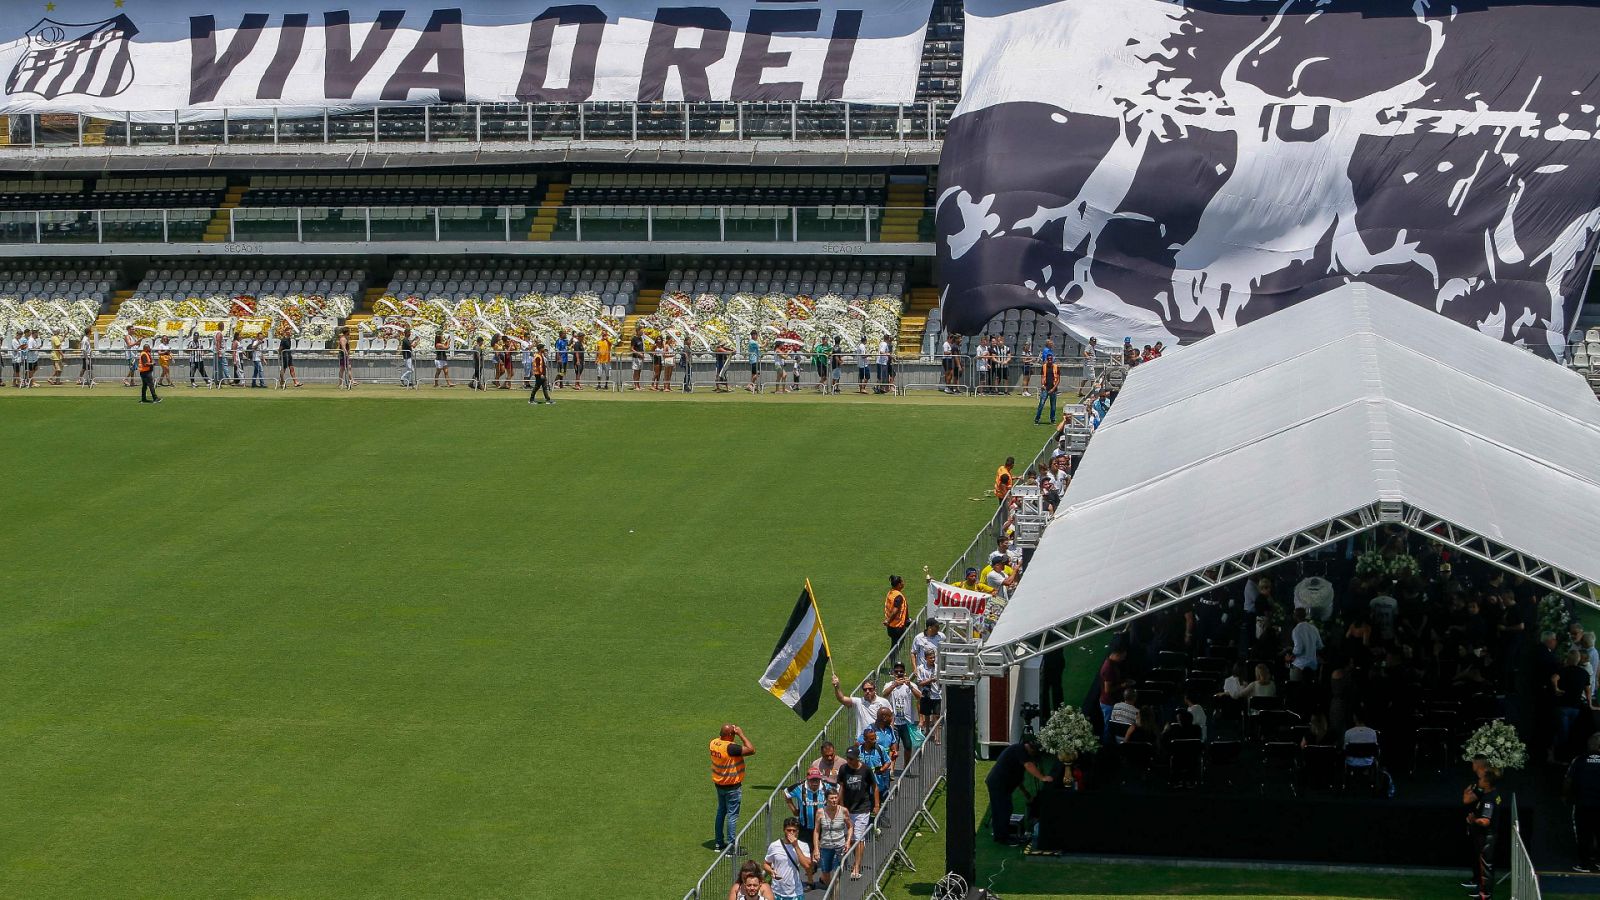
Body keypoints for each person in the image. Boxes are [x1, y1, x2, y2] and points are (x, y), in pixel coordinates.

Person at [986, 737, 1051, 845]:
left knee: (1001, 808)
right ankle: (1002, 837)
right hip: (998, 783)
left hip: (1000, 783)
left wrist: (1026, 793)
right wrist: (1042, 778)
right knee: (1003, 809)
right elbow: (1028, 765)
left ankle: (1000, 834)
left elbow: (1017, 778)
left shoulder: (1019, 753)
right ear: (1030, 748)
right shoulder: (1020, 750)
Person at [710, 724, 756, 852]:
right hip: (732, 787)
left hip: (719, 785)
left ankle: (718, 843)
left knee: (721, 812)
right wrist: (741, 734)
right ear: (730, 735)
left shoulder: (713, 743)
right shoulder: (730, 748)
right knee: (732, 816)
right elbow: (751, 750)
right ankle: (731, 847)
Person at [837, 746, 878, 881]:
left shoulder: (866, 770)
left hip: (863, 808)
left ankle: (857, 866)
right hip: (848, 808)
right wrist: (841, 806)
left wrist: (876, 805)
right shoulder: (843, 769)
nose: (848, 761)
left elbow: (874, 786)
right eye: (847, 758)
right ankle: (855, 860)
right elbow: (841, 787)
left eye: (851, 759)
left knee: (858, 837)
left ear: (857, 758)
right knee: (853, 838)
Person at [1464, 762, 1502, 899]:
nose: (1478, 780)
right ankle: (1483, 891)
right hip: (1486, 837)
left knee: (1485, 867)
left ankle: (1485, 894)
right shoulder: (1492, 794)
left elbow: (1486, 821)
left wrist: (1473, 820)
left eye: (1481, 779)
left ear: (1486, 783)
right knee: (1484, 867)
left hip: (1486, 837)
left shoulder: (1488, 799)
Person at [1567, 734, 1600, 872]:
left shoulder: (1579, 760)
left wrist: (1565, 796)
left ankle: (1584, 864)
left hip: (1583, 803)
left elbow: (1568, 780)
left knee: (1583, 834)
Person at [832, 673, 892, 742]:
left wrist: (891, 731)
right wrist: (837, 687)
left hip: (879, 738)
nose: (867, 691)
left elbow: (891, 716)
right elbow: (842, 699)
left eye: (870, 689)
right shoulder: (858, 702)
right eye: (865, 689)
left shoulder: (883, 702)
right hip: (863, 740)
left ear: (875, 689)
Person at [812, 789, 852, 891]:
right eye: (831, 798)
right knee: (826, 873)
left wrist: (848, 841)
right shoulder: (820, 812)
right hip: (825, 846)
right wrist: (816, 849)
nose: (834, 800)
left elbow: (850, 827)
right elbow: (816, 831)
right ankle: (828, 885)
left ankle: (834, 894)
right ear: (826, 800)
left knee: (837, 873)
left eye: (836, 797)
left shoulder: (844, 811)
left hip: (840, 846)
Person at [785, 767, 828, 858]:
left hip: (823, 826)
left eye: (817, 779)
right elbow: (786, 793)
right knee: (805, 852)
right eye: (812, 780)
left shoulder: (826, 786)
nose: (815, 782)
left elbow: (838, 788)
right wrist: (794, 810)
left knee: (822, 852)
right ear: (807, 778)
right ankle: (809, 869)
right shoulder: (799, 788)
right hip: (805, 827)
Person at [763, 818, 811, 900]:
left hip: (795, 893)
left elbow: (807, 865)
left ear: (798, 831)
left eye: (794, 830)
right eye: (789, 830)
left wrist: (796, 846)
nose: (791, 833)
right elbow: (766, 864)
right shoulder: (774, 845)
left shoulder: (803, 846)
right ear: (784, 830)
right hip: (777, 892)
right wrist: (771, 871)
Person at [884, 661, 922, 753]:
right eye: (896, 672)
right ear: (893, 673)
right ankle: (892, 768)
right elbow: (884, 695)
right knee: (894, 748)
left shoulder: (910, 685)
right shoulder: (889, 685)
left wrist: (910, 686)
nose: (899, 674)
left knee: (908, 747)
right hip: (893, 722)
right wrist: (894, 685)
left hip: (907, 722)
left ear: (904, 673)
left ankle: (906, 767)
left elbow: (920, 697)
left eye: (901, 671)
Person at [1098, 646, 1128, 740]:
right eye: (1122, 656)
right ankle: (1106, 746)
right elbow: (1108, 690)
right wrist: (1122, 686)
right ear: (1116, 655)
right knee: (1108, 726)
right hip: (1108, 703)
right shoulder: (1108, 668)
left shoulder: (1111, 664)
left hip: (1110, 702)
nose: (1123, 659)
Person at [1287, 607, 1323, 681]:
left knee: (1296, 689)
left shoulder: (1296, 630)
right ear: (1305, 615)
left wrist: (1291, 656)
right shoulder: (1314, 628)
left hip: (1300, 666)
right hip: (1313, 666)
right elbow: (1320, 645)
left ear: (1295, 616)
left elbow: (1298, 650)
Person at [916, 646, 942, 743]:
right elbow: (920, 683)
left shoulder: (938, 668)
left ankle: (937, 736)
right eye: (930, 657)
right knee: (927, 714)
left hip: (937, 695)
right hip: (926, 695)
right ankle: (927, 732)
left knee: (937, 716)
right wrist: (930, 680)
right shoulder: (921, 668)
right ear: (926, 658)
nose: (933, 659)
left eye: (934, 657)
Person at [883, 575, 909, 649]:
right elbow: (895, 610)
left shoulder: (890, 593)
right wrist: (888, 621)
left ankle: (893, 659)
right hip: (897, 627)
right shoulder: (898, 596)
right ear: (899, 585)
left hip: (891, 626)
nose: (903, 583)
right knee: (896, 647)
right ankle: (893, 660)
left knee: (894, 645)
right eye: (902, 582)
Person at [1035, 352, 1060, 425]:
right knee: (1041, 404)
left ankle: (1052, 420)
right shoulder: (1044, 366)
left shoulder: (1056, 367)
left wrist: (1053, 389)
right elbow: (1042, 377)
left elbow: (1058, 380)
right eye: (1048, 359)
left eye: (1051, 359)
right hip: (1045, 388)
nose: (1049, 360)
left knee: (1053, 406)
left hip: (1053, 389)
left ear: (1052, 360)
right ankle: (1037, 419)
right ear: (1046, 359)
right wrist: (1043, 385)